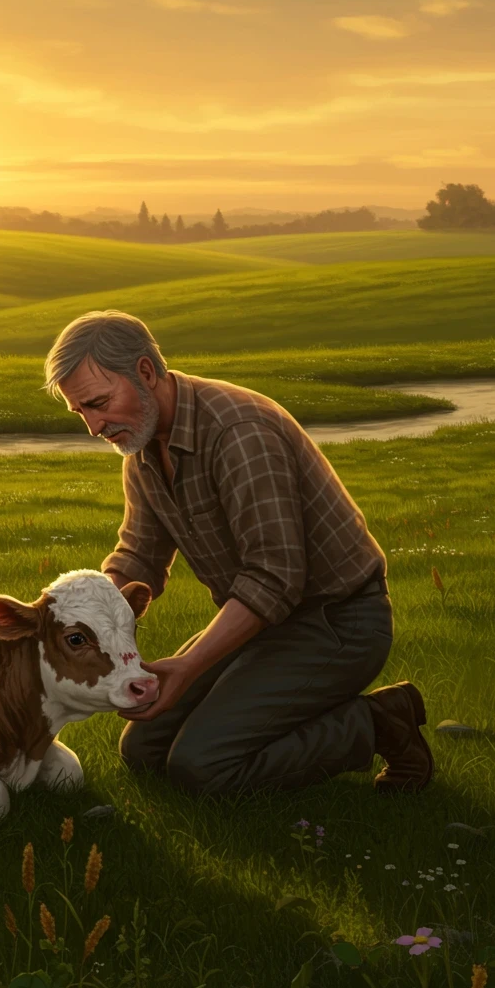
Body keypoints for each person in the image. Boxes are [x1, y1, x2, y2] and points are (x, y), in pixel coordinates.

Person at [43, 310, 434, 797]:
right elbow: (140, 558)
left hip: (339, 622)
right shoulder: (142, 444)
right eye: (82, 412)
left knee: (203, 768)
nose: (94, 426)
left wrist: (189, 667)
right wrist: (74, 625)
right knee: (143, 751)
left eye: (100, 403)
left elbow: (275, 577)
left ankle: (377, 723)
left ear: (145, 372)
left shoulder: (239, 431)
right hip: (261, 626)